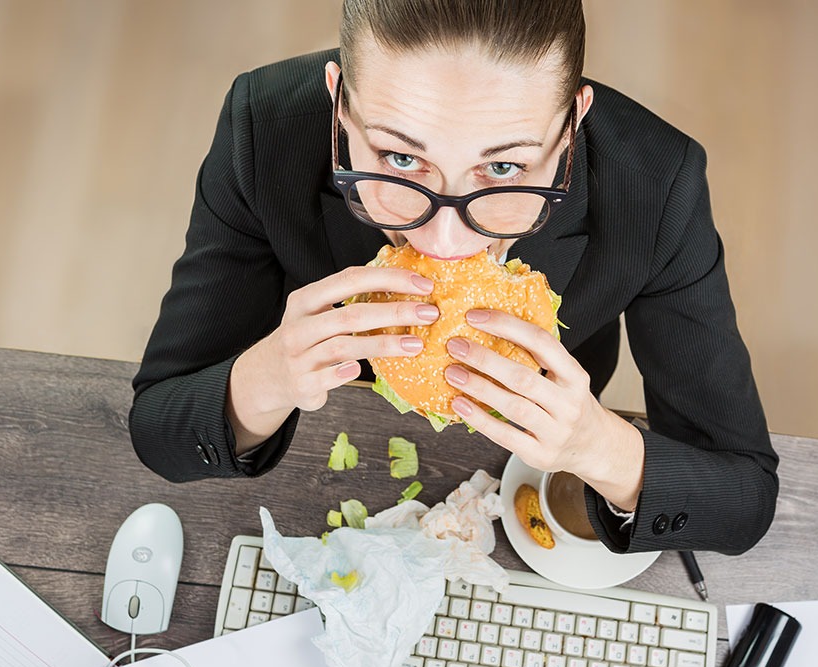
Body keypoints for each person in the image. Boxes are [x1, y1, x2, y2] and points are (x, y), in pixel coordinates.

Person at [130, 0, 778, 556]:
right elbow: (159, 429)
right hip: (321, 461)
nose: (444, 241)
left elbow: (744, 497)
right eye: (400, 157)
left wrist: (595, 444)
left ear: (572, 126)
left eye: (503, 171)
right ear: (339, 107)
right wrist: (267, 375)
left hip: (531, 459)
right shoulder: (262, 127)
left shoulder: (656, 186)